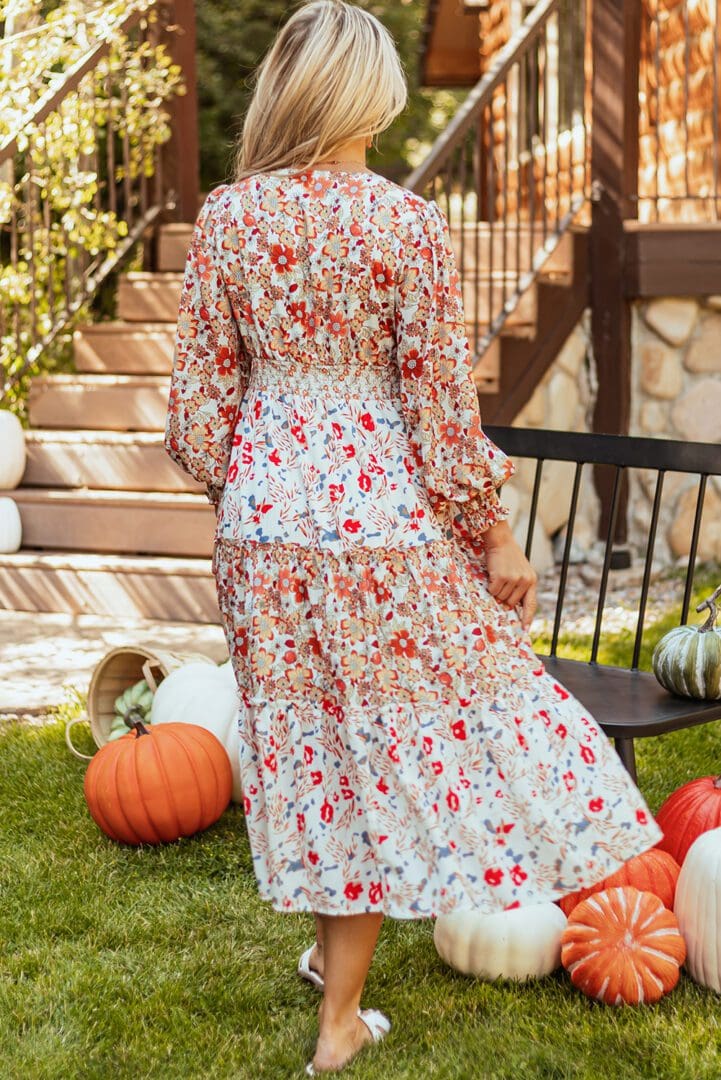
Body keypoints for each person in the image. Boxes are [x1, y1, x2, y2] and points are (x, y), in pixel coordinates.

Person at [164, 1, 665, 1072]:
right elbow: (437, 405)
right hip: (379, 522)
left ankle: (328, 967)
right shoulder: (401, 223)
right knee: (434, 720)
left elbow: (200, 412)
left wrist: (246, 484)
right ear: (369, 92)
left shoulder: (227, 220)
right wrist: (493, 532)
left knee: (308, 742)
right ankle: (339, 1019)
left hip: (261, 526)